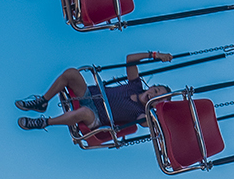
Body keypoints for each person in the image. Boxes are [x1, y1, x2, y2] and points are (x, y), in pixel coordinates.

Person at [15, 52, 173, 133]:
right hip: (90, 95)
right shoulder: (135, 85)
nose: (154, 95)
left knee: (83, 111)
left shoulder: (141, 113)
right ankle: (43, 101)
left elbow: (147, 123)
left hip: (96, 116)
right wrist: (155, 55)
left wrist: (160, 115)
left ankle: (44, 122)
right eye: (157, 91)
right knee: (71, 73)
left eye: (158, 99)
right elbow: (130, 58)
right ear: (152, 86)